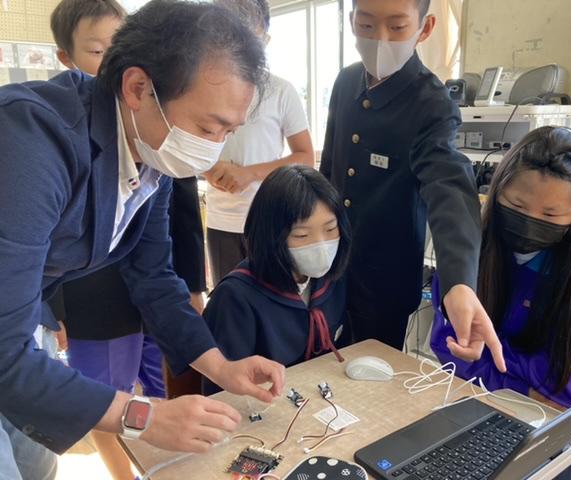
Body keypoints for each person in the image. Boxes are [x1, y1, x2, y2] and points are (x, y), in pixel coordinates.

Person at [0, 2, 285, 478]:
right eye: (207, 127)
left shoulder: (151, 153)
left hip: (18, 323)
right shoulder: (31, 139)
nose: (212, 148)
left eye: (227, 132)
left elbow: (152, 276)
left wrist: (221, 367)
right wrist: (142, 417)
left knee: (35, 464)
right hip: (8, 335)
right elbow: (4, 353)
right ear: (137, 88)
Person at [431, 126, 571, 479]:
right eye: (517, 206)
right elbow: (449, 348)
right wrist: (520, 383)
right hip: (498, 390)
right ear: (496, 190)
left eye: (551, 215)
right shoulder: (469, 251)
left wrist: (501, 367)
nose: (530, 222)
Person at [320, 0, 505, 370]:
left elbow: (449, 188)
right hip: (329, 264)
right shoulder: (345, 82)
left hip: (383, 281)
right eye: (366, 25)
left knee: (369, 377)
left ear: (425, 27)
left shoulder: (431, 102)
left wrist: (459, 283)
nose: (380, 40)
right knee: (317, 363)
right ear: (351, 20)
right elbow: (328, 172)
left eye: (397, 27)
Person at [51, 2, 167, 477]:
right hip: (92, 300)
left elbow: (167, 230)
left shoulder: (155, 129)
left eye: (122, 48)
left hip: (146, 292)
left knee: (154, 388)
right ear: (67, 58)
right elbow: (44, 249)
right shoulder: (58, 141)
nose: (115, 65)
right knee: (105, 398)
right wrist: (53, 310)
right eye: (99, 51)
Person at [202, 165, 351, 395]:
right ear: (271, 236)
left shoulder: (331, 280)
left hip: (322, 399)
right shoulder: (235, 299)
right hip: (264, 407)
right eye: (302, 235)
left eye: (331, 229)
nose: (321, 246)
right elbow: (221, 393)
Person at [205, 0, 314, 286]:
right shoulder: (203, 87)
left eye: (248, 37)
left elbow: (305, 156)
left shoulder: (280, 90)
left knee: (274, 301)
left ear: (264, 38)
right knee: (228, 301)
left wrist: (249, 173)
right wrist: (209, 169)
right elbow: (188, 146)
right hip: (221, 220)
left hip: (269, 219)